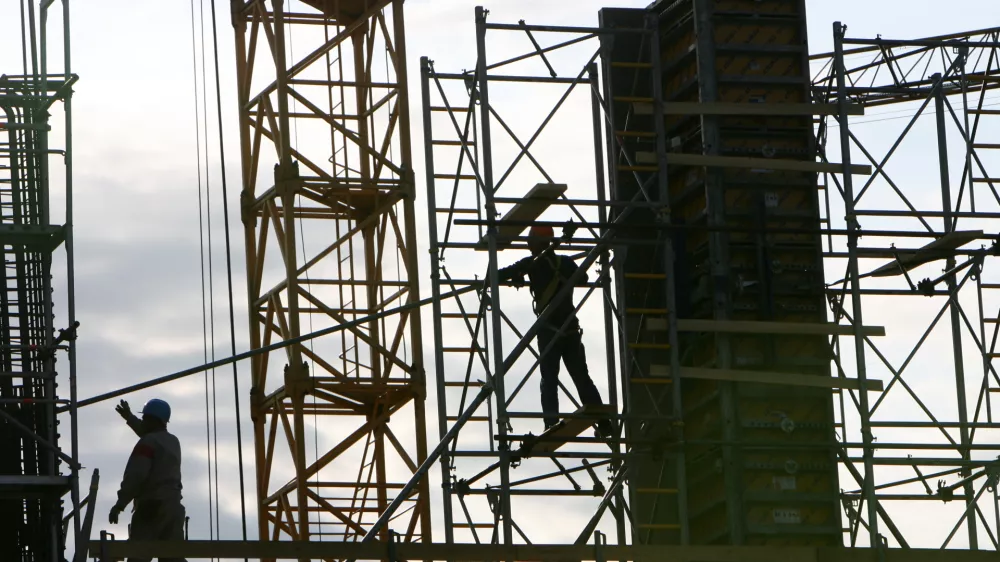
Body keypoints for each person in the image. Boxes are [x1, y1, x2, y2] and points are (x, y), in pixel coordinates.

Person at [498, 224, 613, 437]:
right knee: (581, 377)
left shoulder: (531, 264)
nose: (527, 244)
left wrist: (519, 275)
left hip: (549, 331)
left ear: (536, 243)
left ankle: (551, 423)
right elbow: (583, 278)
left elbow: (497, 275)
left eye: (530, 240)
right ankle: (604, 422)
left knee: (549, 378)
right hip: (570, 328)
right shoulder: (565, 263)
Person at [110, 399, 187, 562]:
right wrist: (130, 418)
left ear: (152, 420)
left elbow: (136, 476)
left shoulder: (148, 443)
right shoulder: (173, 441)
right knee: (173, 558)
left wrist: (120, 504)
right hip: (173, 508)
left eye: (145, 418)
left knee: (139, 556)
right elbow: (150, 434)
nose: (143, 421)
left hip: (152, 508)